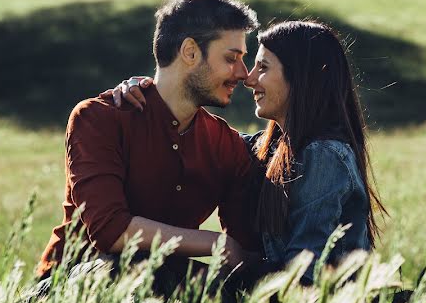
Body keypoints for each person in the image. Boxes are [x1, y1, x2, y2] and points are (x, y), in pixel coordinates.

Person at [114, 20, 386, 285]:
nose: (248, 78)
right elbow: (201, 139)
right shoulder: (271, 147)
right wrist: (155, 94)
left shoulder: (323, 155)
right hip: (280, 295)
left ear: (302, 77)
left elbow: (304, 271)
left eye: (263, 68)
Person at [34, 0, 263, 290]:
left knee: (240, 287)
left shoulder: (225, 144)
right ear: (190, 52)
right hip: (72, 284)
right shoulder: (99, 118)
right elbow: (110, 231)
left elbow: (244, 248)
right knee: (134, 267)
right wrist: (216, 242)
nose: (243, 74)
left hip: (163, 282)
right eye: (231, 59)